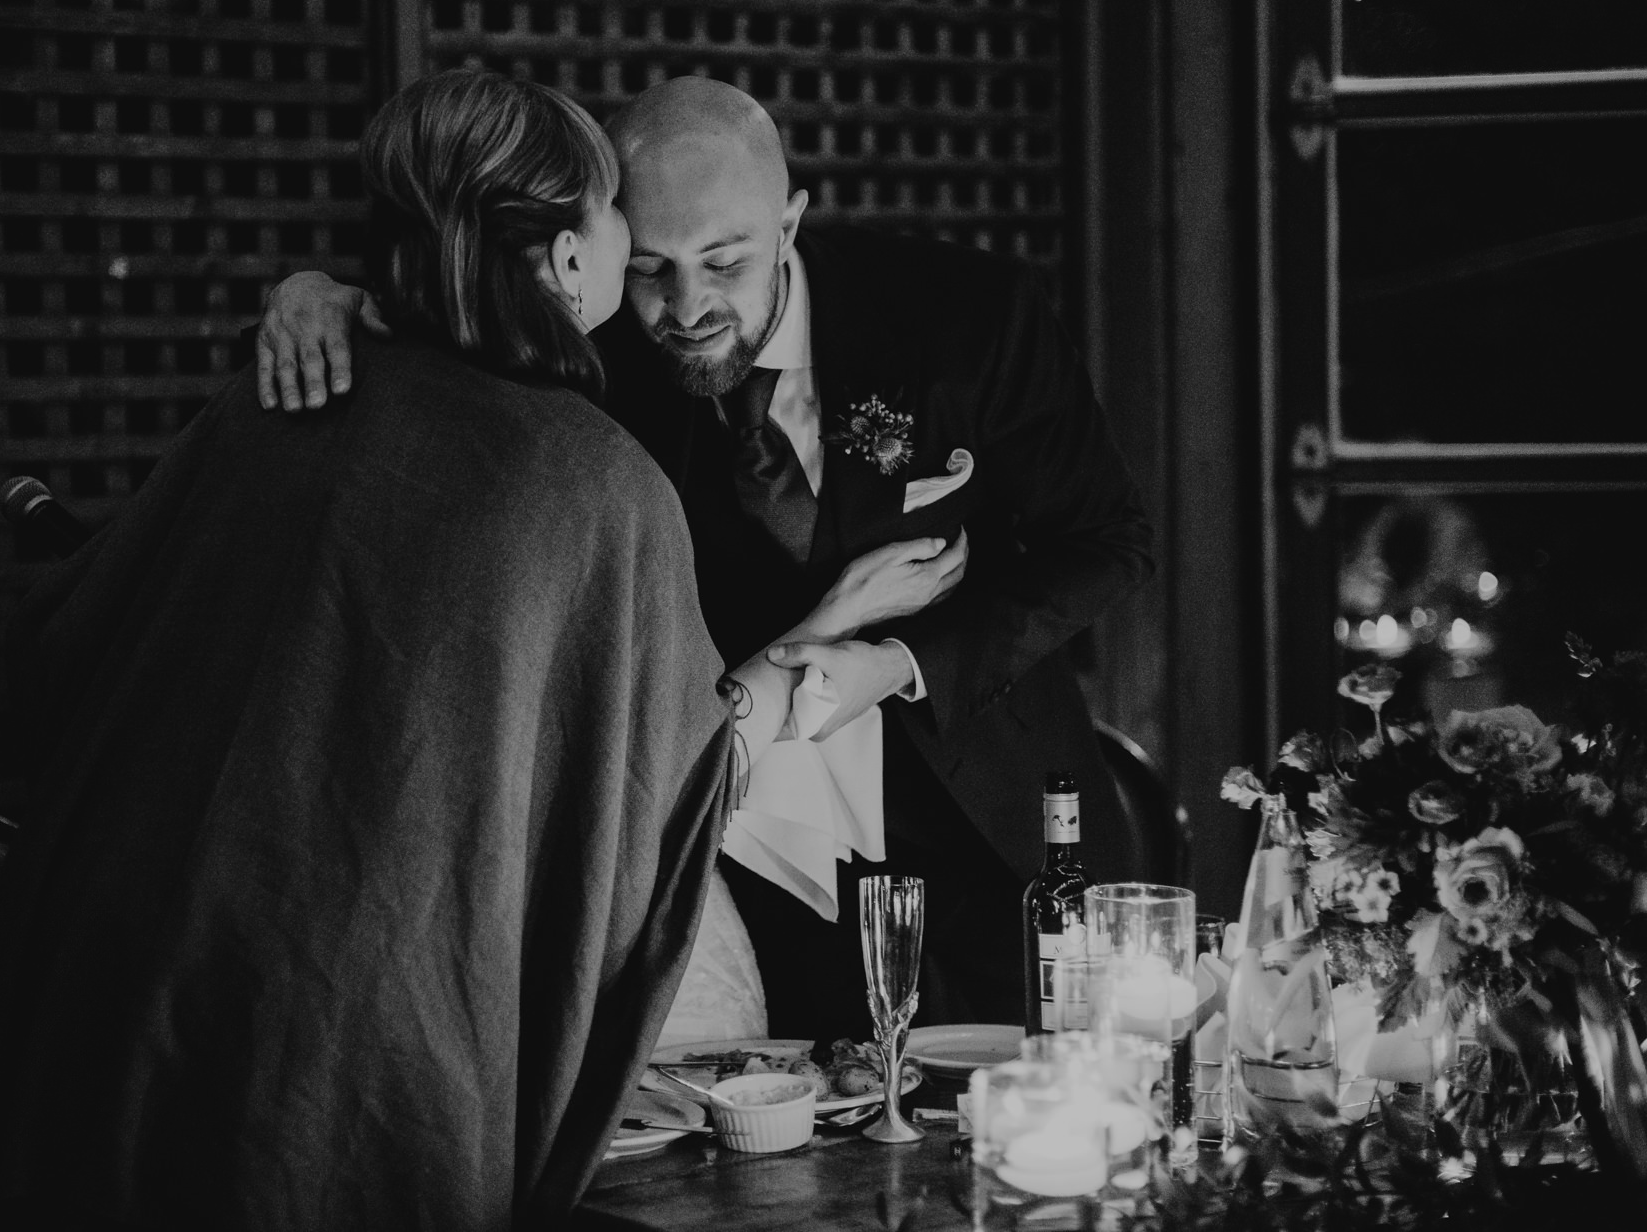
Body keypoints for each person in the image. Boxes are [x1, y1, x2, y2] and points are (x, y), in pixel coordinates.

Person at [0, 69, 942, 1231]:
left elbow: (63, 642)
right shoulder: (588, 483)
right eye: (616, 221)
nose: (643, 263)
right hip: (341, 1058)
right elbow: (665, 785)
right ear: (571, 262)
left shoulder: (272, 399)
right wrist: (817, 648)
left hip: (84, 1000)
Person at [256, 76, 1155, 1047]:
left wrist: (898, 663)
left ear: (788, 223)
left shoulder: (965, 317)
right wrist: (325, 297)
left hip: (995, 823)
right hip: (761, 857)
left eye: (723, 261)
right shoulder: (587, 357)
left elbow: (1108, 542)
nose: (685, 308)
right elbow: (454, 298)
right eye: (648, 267)